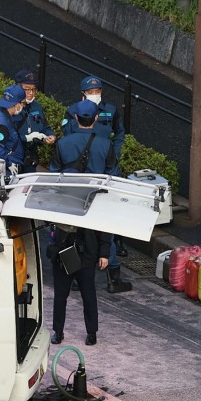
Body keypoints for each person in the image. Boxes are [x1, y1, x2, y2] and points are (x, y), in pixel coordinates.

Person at [61, 74, 132, 293]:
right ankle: (112, 275)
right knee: (103, 227)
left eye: (97, 90)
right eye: (91, 92)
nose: (95, 94)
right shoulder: (72, 113)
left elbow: (119, 133)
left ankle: (76, 275)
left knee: (71, 230)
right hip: (96, 178)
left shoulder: (109, 111)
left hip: (81, 181)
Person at [48, 224, 109, 347]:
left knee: (88, 296)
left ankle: (92, 332)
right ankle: (58, 331)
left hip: (86, 255)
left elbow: (105, 228)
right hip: (62, 253)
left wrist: (104, 253)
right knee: (60, 295)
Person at [11, 69, 55, 173]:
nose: (31, 93)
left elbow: (44, 126)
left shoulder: (37, 106)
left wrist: (50, 135)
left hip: (30, 157)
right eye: (26, 89)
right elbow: (6, 136)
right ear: (18, 88)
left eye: (33, 89)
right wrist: (26, 138)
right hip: (12, 157)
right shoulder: (10, 107)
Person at [50, 100, 110, 175]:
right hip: (96, 186)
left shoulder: (62, 143)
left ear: (76, 117)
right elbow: (113, 172)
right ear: (96, 118)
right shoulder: (106, 144)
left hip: (69, 185)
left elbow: (54, 172)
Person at [0, 84, 27, 172]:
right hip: (6, 170)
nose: (23, 106)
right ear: (16, 104)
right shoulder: (2, 123)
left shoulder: (0, 112)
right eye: (23, 103)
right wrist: (9, 163)